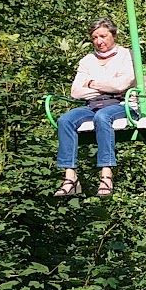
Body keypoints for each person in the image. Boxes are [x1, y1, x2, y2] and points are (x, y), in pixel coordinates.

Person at [55, 17, 136, 198]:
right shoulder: (87, 61)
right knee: (65, 120)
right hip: (93, 105)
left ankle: (106, 174)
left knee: (102, 117)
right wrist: (104, 88)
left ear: (113, 35)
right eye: (95, 38)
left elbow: (121, 86)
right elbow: (76, 92)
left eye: (103, 36)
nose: (99, 41)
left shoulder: (126, 55)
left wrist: (91, 83)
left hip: (122, 104)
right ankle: (70, 177)